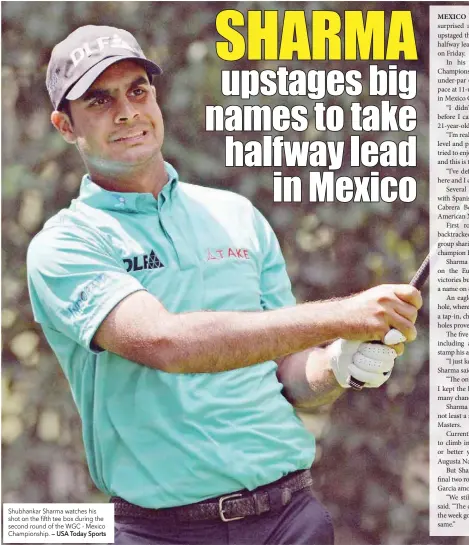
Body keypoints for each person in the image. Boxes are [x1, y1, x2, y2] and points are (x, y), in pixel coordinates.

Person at [27, 25, 422, 545]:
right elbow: (168, 344)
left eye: (137, 91)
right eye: (100, 100)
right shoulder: (65, 244)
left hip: (291, 519)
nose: (126, 112)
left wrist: (336, 365)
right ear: (65, 125)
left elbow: (287, 375)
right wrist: (343, 315)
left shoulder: (236, 215)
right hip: (164, 534)